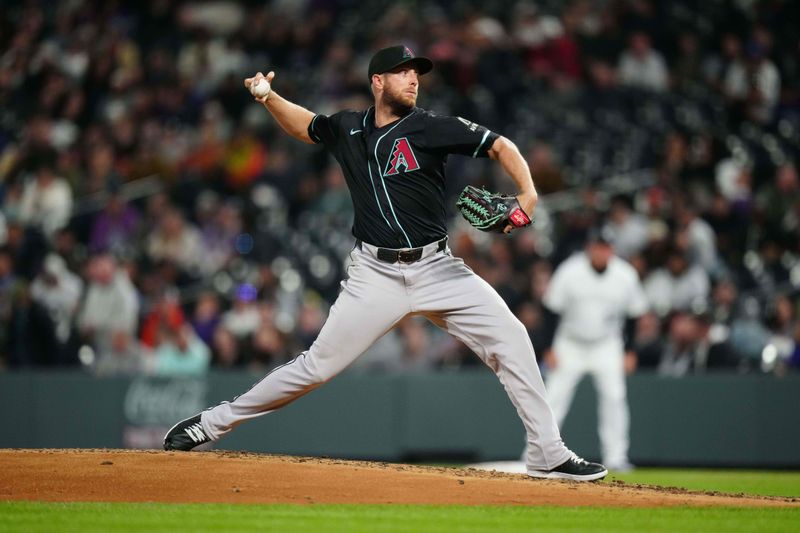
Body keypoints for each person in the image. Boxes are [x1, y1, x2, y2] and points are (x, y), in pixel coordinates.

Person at [163, 45, 606, 481]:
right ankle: (213, 424)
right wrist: (267, 97)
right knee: (316, 366)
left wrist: (527, 195)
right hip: (375, 275)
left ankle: (548, 452)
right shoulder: (348, 127)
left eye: (417, 72)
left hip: (437, 268)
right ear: (378, 81)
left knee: (512, 338)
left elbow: (500, 145)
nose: (414, 79)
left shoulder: (431, 127)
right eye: (402, 71)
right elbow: (307, 127)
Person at [534, 230, 648, 472]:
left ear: (612, 250)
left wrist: (630, 351)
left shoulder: (624, 275)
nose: (601, 251)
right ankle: (538, 452)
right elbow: (551, 310)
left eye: (606, 247)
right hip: (570, 342)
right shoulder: (570, 271)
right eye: (598, 246)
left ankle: (616, 456)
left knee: (614, 397)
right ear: (590, 248)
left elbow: (633, 315)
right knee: (554, 397)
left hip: (607, 344)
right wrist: (548, 347)